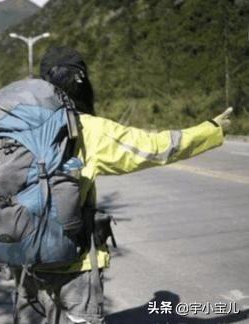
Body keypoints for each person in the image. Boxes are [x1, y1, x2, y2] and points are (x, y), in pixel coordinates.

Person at [12, 46, 233, 324]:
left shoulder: (16, 127)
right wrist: (209, 130)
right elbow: (154, 147)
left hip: (22, 256)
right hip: (73, 261)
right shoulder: (87, 128)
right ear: (81, 83)